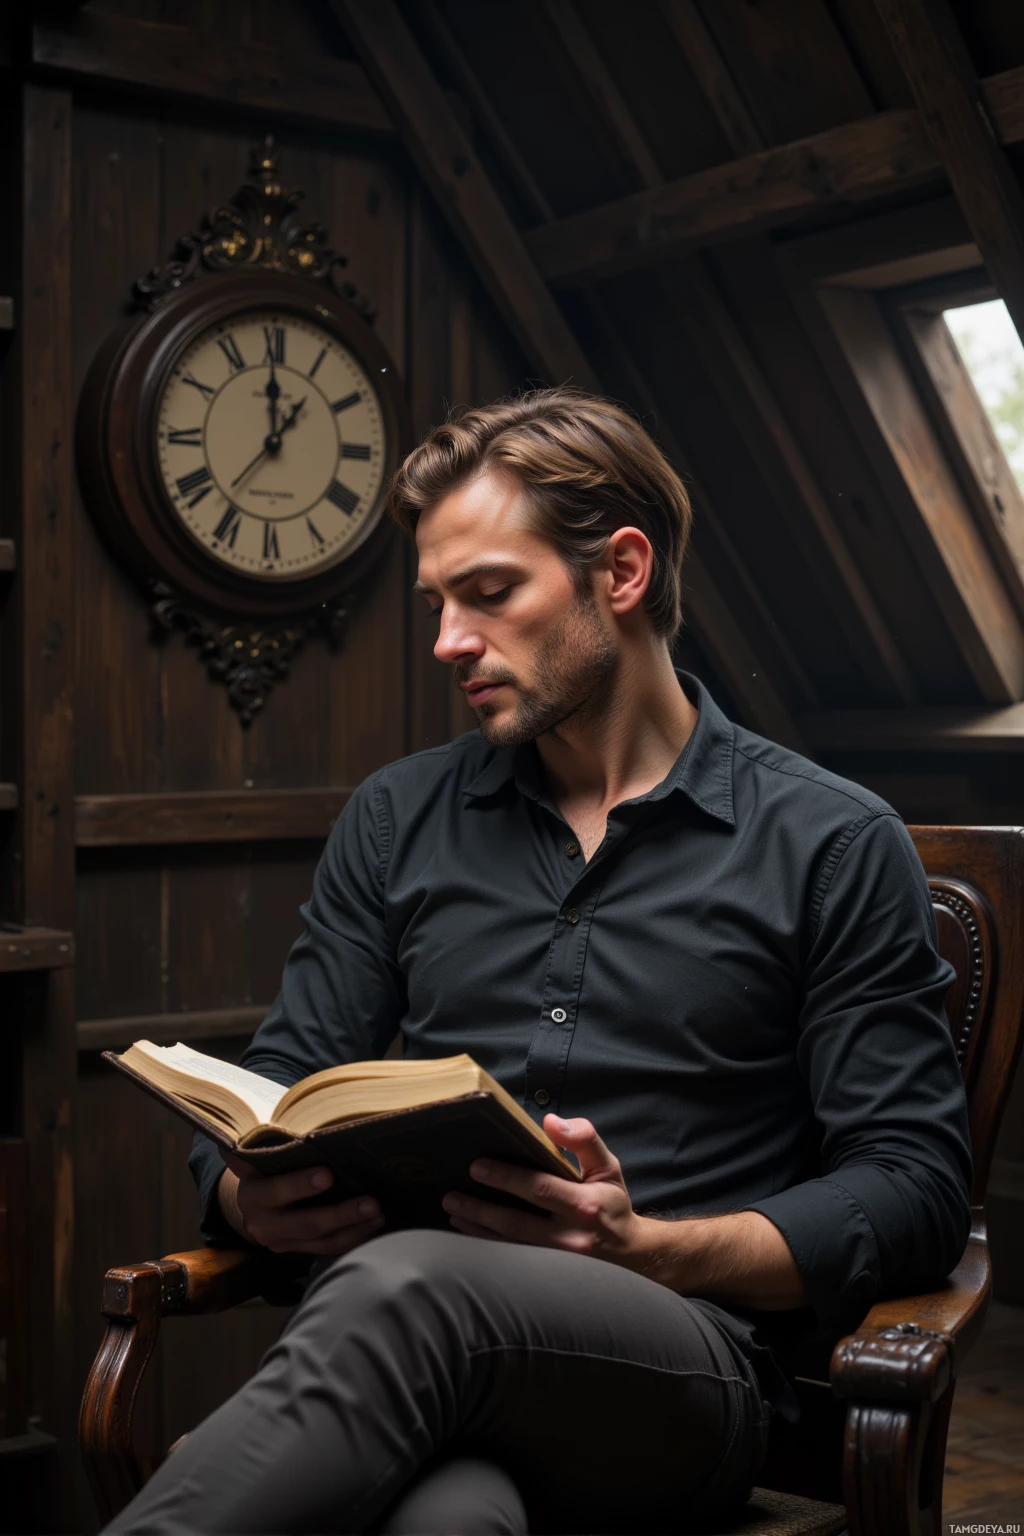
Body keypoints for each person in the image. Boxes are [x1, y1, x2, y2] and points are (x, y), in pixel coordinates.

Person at [108, 389, 972, 1536]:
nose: (448, 642)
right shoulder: (395, 820)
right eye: (436, 603)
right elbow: (274, 1084)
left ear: (620, 573)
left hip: (680, 1373)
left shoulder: (830, 841)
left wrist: (651, 1249)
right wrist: (246, 1195)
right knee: (447, 1521)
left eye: (490, 593)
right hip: (411, 1361)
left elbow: (910, 1189)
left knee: (405, 1291)